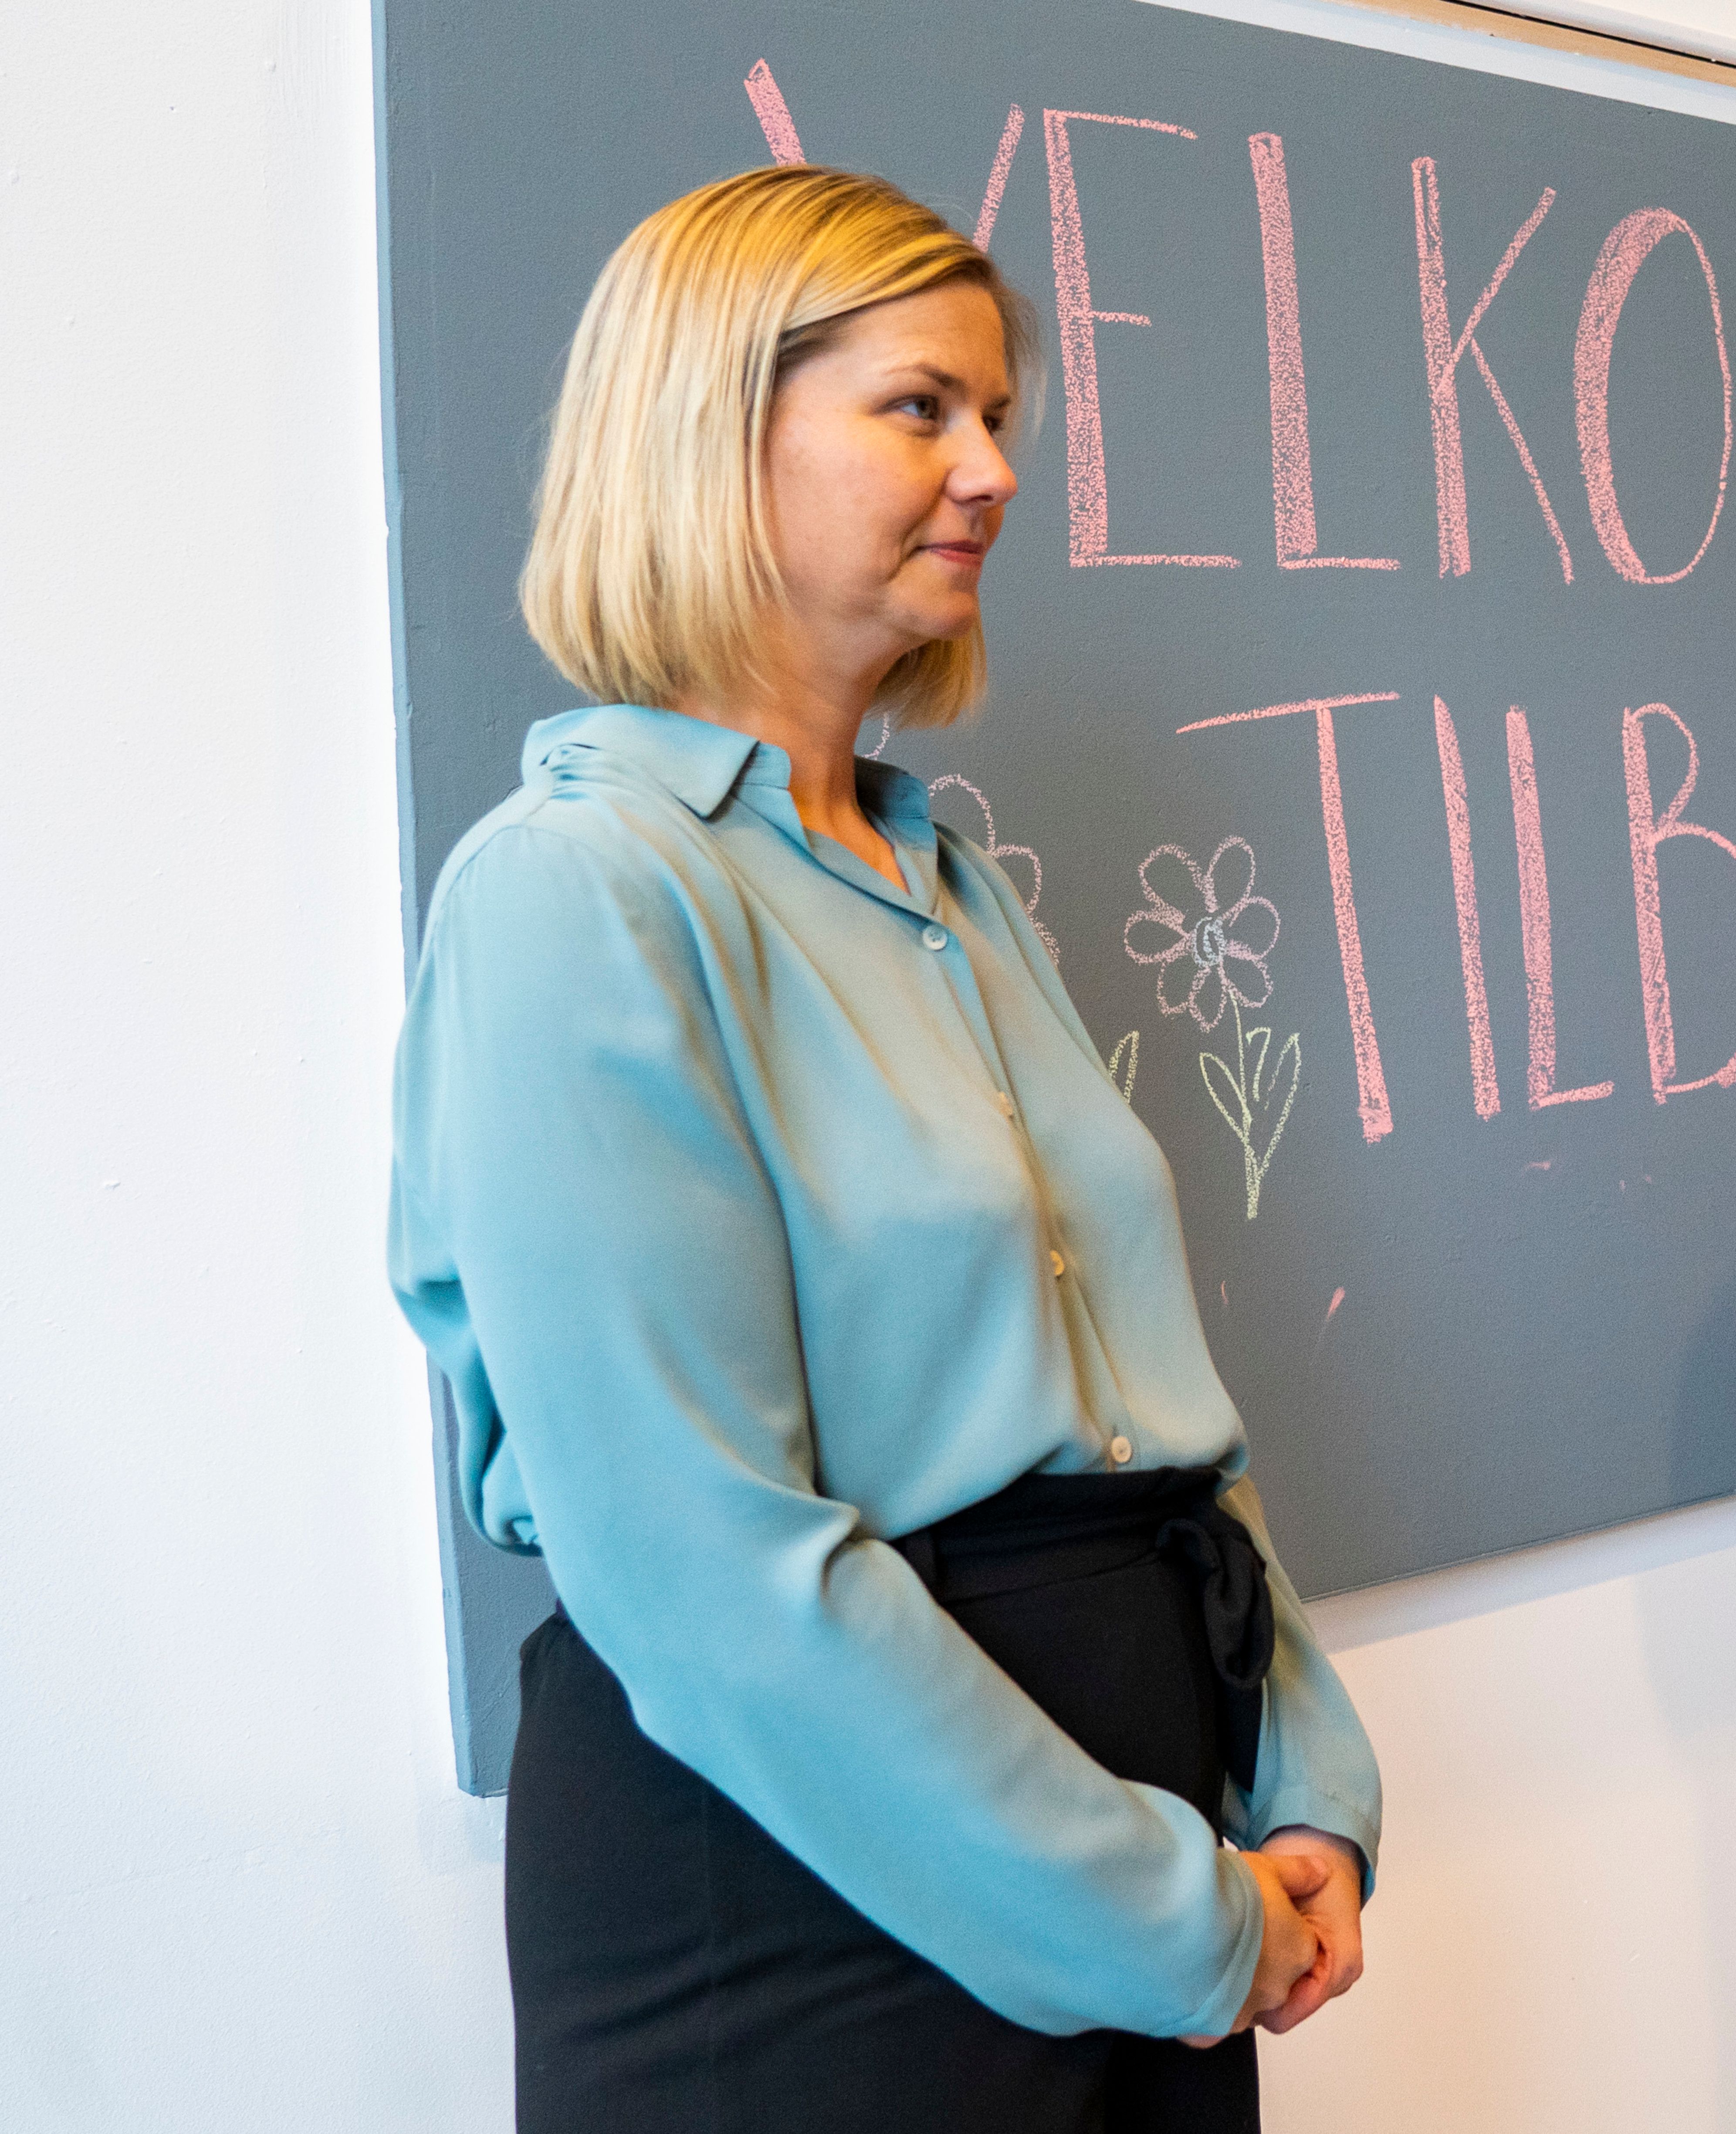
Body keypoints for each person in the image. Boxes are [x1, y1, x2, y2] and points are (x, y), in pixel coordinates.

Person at [389, 166, 1379, 2132]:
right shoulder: (579, 892)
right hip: (805, 1898)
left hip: (1135, 1850)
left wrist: (1305, 1782)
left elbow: (1146, 1409)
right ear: (706, 432)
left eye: (994, 414)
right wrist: (1163, 1913)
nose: (991, 469)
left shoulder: (950, 882)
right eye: (920, 407)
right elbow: (699, 1568)